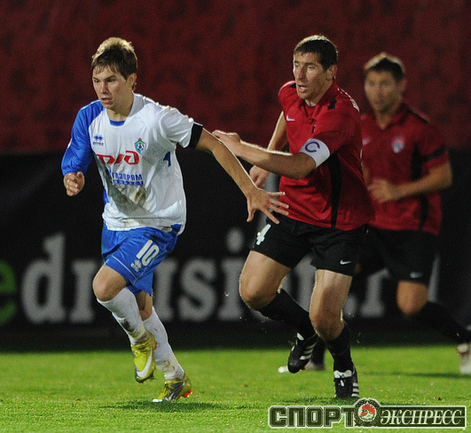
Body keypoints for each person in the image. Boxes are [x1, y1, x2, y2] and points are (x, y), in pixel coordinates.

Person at [61, 37, 287, 402]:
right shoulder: (90, 117)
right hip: (116, 222)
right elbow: (76, 157)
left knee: (103, 288)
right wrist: (72, 176)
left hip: (158, 223)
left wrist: (249, 189)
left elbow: (214, 144)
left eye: (112, 80)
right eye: (97, 80)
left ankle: (139, 341)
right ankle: (176, 377)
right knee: (141, 307)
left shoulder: (158, 119)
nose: (103, 89)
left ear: (132, 79)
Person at [280, 52, 471, 376]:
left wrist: (399, 190)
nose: (377, 91)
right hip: (371, 225)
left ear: (401, 86)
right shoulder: (360, 123)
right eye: (371, 83)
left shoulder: (420, 127)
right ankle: (316, 357)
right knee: (330, 276)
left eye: (385, 84)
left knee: (411, 305)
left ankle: (465, 339)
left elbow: (444, 177)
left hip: (413, 227)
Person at [214, 35, 374, 399]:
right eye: (296, 65)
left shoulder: (341, 113)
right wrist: (270, 153)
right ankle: (304, 329)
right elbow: (288, 116)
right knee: (253, 291)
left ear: (331, 72)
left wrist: (243, 150)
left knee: (325, 317)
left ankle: (343, 365)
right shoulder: (290, 92)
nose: (299, 75)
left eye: (310, 67)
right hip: (294, 208)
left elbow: (302, 166)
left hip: (340, 221)